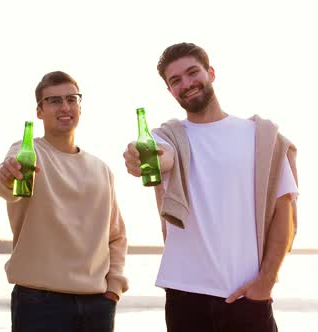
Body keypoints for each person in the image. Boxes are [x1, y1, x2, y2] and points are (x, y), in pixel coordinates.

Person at [123, 42, 298, 331]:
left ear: (211, 72)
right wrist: (138, 155)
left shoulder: (262, 137)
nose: (187, 84)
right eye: (175, 80)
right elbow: (159, 155)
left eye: (193, 73)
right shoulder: (167, 137)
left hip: (247, 295)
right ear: (169, 91)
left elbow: (284, 212)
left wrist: (264, 284)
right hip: (184, 294)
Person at [0, 71, 128, 332]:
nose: (64, 107)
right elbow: (3, 186)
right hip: (39, 302)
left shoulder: (101, 169)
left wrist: (114, 288)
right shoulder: (28, 151)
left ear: (79, 106)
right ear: (39, 111)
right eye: (54, 101)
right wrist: (7, 175)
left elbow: (116, 236)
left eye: (71, 99)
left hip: (97, 303)